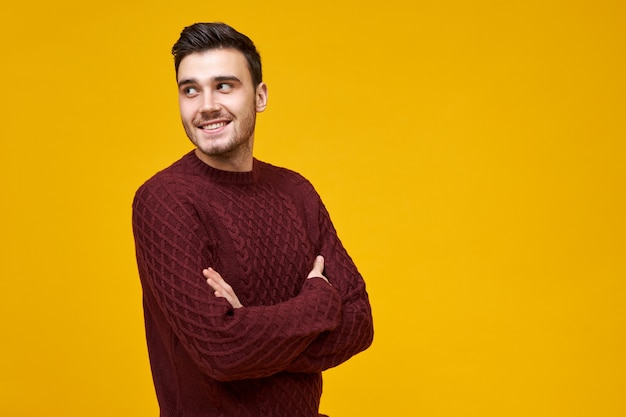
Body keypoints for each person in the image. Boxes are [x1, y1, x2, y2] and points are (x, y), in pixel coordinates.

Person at [132, 22, 374, 417]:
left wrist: (247, 325)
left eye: (224, 86)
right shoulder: (165, 200)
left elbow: (359, 324)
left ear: (259, 96)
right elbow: (222, 353)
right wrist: (319, 301)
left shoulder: (296, 192)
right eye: (190, 89)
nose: (206, 104)